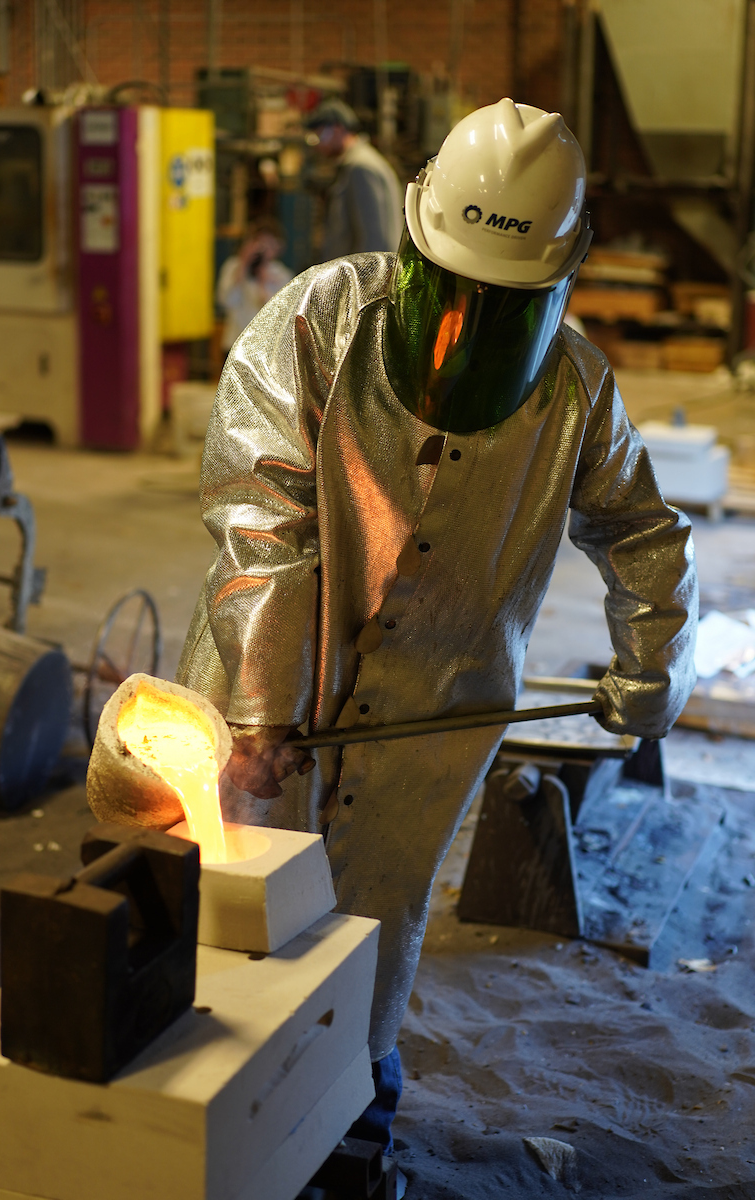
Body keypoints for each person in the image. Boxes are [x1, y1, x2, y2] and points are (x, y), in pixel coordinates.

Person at [177, 98, 698, 1153]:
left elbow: (643, 529)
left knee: (375, 907)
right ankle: (203, 1125)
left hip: (430, 713)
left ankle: (355, 1107)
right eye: (451, 290)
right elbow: (260, 510)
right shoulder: (320, 318)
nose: (465, 324)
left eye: (501, 303)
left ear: (555, 283)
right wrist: (266, 703)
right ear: (414, 237)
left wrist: (654, 668)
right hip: (262, 688)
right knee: (228, 914)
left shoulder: (575, 391)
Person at [306, 97, 404, 260]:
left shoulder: (360, 167)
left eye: (321, 136)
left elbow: (373, 238)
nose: (318, 145)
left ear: (337, 129)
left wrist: (365, 283)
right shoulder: (358, 163)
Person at [216, 217, 293, 354]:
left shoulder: (281, 275)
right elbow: (226, 301)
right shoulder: (233, 267)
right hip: (235, 342)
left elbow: (278, 314)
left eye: (269, 244)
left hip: (266, 347)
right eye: (259, 243)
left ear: (278, 248)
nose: (263, 250)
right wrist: (243, 265)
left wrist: (263, 282)